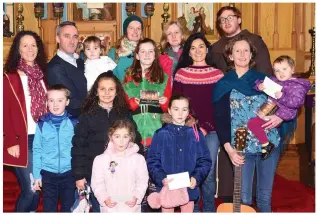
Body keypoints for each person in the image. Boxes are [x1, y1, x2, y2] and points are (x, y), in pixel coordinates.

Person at [212, 35, 282, 212]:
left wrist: (279, 117)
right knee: (243, 199)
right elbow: (220, 120)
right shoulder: (224, 84)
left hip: (269, 142)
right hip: (241, 147)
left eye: (246, 51)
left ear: (251, 55)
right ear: (230, 56)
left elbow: (286, 102)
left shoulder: (264, 81)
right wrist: (229, 149)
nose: (242, 54)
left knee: (264, 197)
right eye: (237, 51)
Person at [71, 71, 142, 212]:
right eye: (102, 89)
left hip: (123, 173)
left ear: (117, 92)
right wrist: (79, 175)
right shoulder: (87, 115)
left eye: (111, 89)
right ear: (96, 91)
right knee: (101, 208)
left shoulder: (124, 113)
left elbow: (136, 139)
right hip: (96, 174)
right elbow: (78, 146)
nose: (107, 93)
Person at [172, 33, 223, 212]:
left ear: (207, 49)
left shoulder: (217, 74)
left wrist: (205, 127)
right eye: (193, 48)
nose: (198, 51)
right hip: (186, 129)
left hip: (212, 130)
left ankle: (209, 209)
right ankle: (192, 210)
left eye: (201, 46)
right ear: (189, 52)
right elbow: (175, 103)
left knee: (207, 174)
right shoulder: (181, 74)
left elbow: (219, 106)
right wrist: (189, 124)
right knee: (189, 172)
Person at [123, 38, 171, 212]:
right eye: (142, 51)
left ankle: (157, 205)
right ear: (136, 55)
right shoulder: (129, 74)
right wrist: (132, 103)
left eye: (151, 51)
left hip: (155, 130)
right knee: (136, 173)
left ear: (155, 54)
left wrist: (165, 103)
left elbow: (167, 105)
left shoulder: (163, 77)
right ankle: (138, 205)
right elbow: (124, 99)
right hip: (135, 131)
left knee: (156, 171)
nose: (147, 55)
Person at [3, 30, 47, 212]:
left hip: (43, 139)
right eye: (25, 45)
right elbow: (3, 111)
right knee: (31, 188)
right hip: (23, 140)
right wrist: (11, 141)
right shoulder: (9, 77)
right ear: (18, 50)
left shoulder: (43, 76)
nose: (30, 49)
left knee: (38, 188)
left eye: (33, 45)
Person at [147, 95, 212, 213]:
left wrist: (196, 178)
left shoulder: (196, 134)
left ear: (188, 112)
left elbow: (205, 160)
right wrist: (161, 178)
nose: (180, 113)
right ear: (169, 110)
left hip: (188, 189)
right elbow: (152, 161)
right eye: (176, 109)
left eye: (184, 109)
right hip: (167, 188)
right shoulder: (160, 134)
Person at [248, 55, 311, 159]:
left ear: (293, 69)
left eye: (284, 69)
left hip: (283, 113)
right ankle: (265, 144)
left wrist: (282, 96)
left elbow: (297, 102)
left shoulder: (297, 85)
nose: (280, 73)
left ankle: (266, 144)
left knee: (253, 123)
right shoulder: (274, 80)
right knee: (253, 121)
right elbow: (263, 82)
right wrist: (259, 86)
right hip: (269, 110)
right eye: (277, 70)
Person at [33, 84, 76, 212]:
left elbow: (79, 149)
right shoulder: (41, 123)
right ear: (47, 102)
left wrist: (80, 173)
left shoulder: (74, 122)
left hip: (69, 173)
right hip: (48, 174)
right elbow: (37, 150)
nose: (55, 104)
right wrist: (36, 175)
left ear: (67, 102)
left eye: (60, 100)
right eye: (51, 100)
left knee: (68, 207)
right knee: (49, 208)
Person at [91, 119, 149, 212]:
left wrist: (136, 196)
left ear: (130, 137)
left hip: (131, 209)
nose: (121, 141)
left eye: (125, 137)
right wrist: (104, 198)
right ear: (111, 137)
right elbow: (97, 183)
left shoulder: (138, 159)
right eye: (117, 136)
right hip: (110, 209)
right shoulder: (100, 160)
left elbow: (142, 181)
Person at [211, 6, 272, 76]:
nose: (226, 22)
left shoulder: (255, 41)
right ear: (220, 25)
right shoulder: (215, 48)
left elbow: (265, 71)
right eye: (222, 20)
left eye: (230, 18)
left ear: (239, 20)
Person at [46, 21, 87, 117]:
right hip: (69, 123)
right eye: (67, 36)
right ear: (57, 39)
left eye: (75, 37)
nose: (72, 41)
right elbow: (73, 102)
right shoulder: (55, 67)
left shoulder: (80, 61)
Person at [108, 15, 143, 82]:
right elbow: (109, 77)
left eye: (138, 28)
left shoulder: (146, 50)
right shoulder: (114, 52)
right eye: (131, 28)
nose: (135, 31)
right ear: (125, 30)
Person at [159, 20, 186, 85]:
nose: (173, 36)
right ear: (166, 39)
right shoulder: (160, 60)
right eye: (169, 34)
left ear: (182, 35)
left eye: (176, 32)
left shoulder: (189, 56)